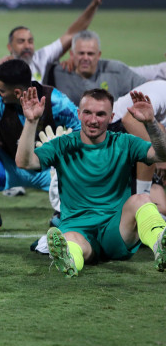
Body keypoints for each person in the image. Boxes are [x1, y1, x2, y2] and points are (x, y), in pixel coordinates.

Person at [16, 88, 166, 277]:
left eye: (100, 114)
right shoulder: (62, 145)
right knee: (70, 239)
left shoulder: (124, 142)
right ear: (79, 114)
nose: (93, 120)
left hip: (117, 230)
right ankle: (70, 261)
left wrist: (151, 123)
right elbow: (24, 162)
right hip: (78, 229)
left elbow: (161, 155)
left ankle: (160, 244)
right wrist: (31, 122)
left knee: (142, 199)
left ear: (111, 117)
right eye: (87, 112)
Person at [0, 59, 81, 235]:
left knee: (81, 161)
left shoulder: (55, 100)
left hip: (50, 172)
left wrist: (64, 152)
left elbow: (81, 130)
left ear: (17, 92)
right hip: (10, 166)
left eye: (1, 90)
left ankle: (61, 211)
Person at [0, 0, 111, 105]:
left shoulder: (40, 58)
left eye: (30, 41)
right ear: (10, 47)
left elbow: (71, 34)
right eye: (21, 41)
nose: (27, 46)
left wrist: (94, 4)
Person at [46, 30, 146, 106]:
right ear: (72, 54)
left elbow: (147, 87)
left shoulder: (117, 71)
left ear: (98, 55)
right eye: (81, 53)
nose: (85, 58)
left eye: (90, 54)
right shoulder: (57, 72)